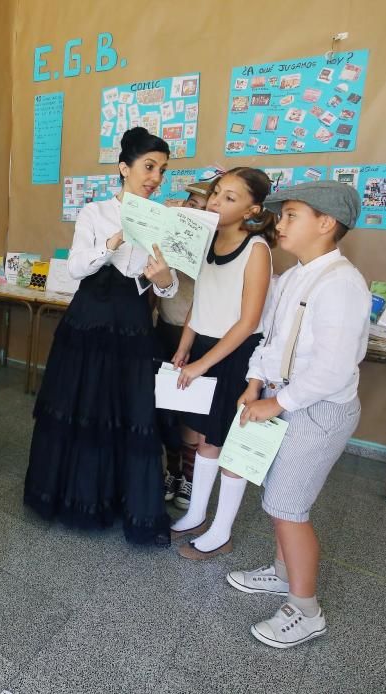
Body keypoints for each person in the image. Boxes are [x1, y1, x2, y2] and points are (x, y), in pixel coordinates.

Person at [227, 181, 367, 648]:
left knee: (289, 509)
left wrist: (276, 403)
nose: (280, 223)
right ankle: (285, 572)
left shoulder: (342, 283)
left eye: (291, 215)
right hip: (284, 400)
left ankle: (306, 609)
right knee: (277, 499)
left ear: (326, 224)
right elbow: (268, 341)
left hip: (317, 411)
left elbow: (331, 369)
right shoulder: (294, 276)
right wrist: (253, 383)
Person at [23, 127, 179, 546]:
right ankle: (69, 497)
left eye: (162, 170)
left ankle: (118, 501)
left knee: (127, 411)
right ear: (124, 168)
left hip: (131, 322)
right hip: (88, 321)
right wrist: (113, 242)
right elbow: (76, 269)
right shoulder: (95, 212)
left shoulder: (163, 218)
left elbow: (167, 288)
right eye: (149, 167)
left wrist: (163, 279)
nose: (155, 178)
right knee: (81, 405)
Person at [168, 168, 275, 560]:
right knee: (202, 437)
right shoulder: (207, 241)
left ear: (253, 209)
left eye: (230, 197)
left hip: (237, 353)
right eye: (216, 193)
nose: (216, 201)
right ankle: (197, 514)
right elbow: (203, 299)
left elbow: (248, 321)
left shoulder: (257, 249)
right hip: (206, 348)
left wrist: (201, 365)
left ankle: (221, 530)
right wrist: (185, 345)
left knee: (225, 441)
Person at [159, 179, 214, 508]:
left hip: (201, 334)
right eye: (192, 202)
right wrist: (178, 213)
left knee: (193, 411)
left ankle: (190, 480)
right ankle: (173, 471)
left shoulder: (220, 242)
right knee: (167, 408)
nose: (196, 209)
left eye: (204, 205)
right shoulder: (174, 228)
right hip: (166, 326)